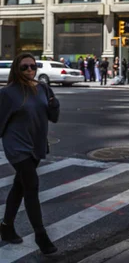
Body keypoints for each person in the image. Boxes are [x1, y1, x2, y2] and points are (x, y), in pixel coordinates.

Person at [0, 53, 60, 255]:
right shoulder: (8, 93)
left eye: (32, 67)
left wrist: (54, 104)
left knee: (20, 186)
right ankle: (41, 236)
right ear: (16, 69)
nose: (29, 70)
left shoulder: (42, 87)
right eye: (24, 67)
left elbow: (54, 117)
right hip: (17, 147)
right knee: (31, 186)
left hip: (35, 145)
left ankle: (6, 227)